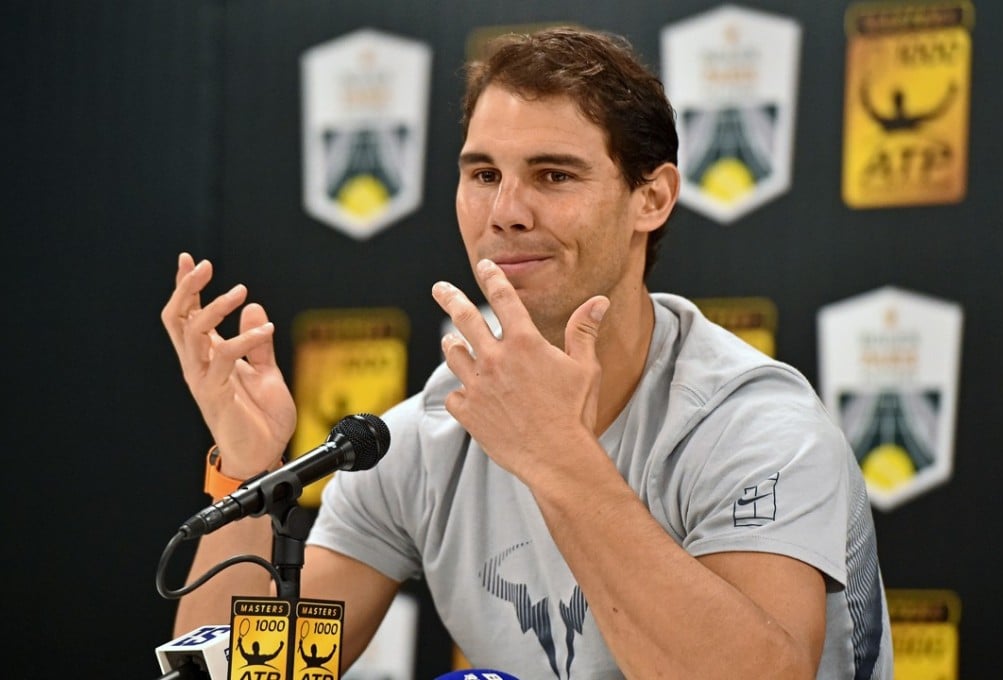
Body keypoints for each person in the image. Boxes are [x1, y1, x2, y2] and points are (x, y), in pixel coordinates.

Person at [162, 26, 893, 679]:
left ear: (653, 197)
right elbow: (250, 673)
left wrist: (557, 457)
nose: (506, 211)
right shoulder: (426, 436)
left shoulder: (754, 426)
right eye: (483, 175)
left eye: (554, 175)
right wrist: (246, 470)